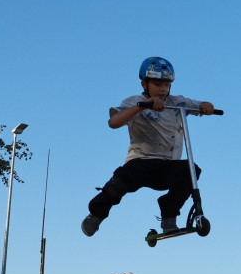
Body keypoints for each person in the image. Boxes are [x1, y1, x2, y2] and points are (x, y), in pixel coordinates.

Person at [82, 57, 215, 236]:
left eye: (167, 85)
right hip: (141, 162)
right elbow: (113, 123)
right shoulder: (134, 101)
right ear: (144, 84)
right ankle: (96, 215)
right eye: (158, 84)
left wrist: (205, 106)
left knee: (191, 170)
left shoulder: (177, 102)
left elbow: (199, 105)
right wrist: (142, 107)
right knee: (116, 187)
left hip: (167, 166)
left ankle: (169, 214)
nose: (163, 89)